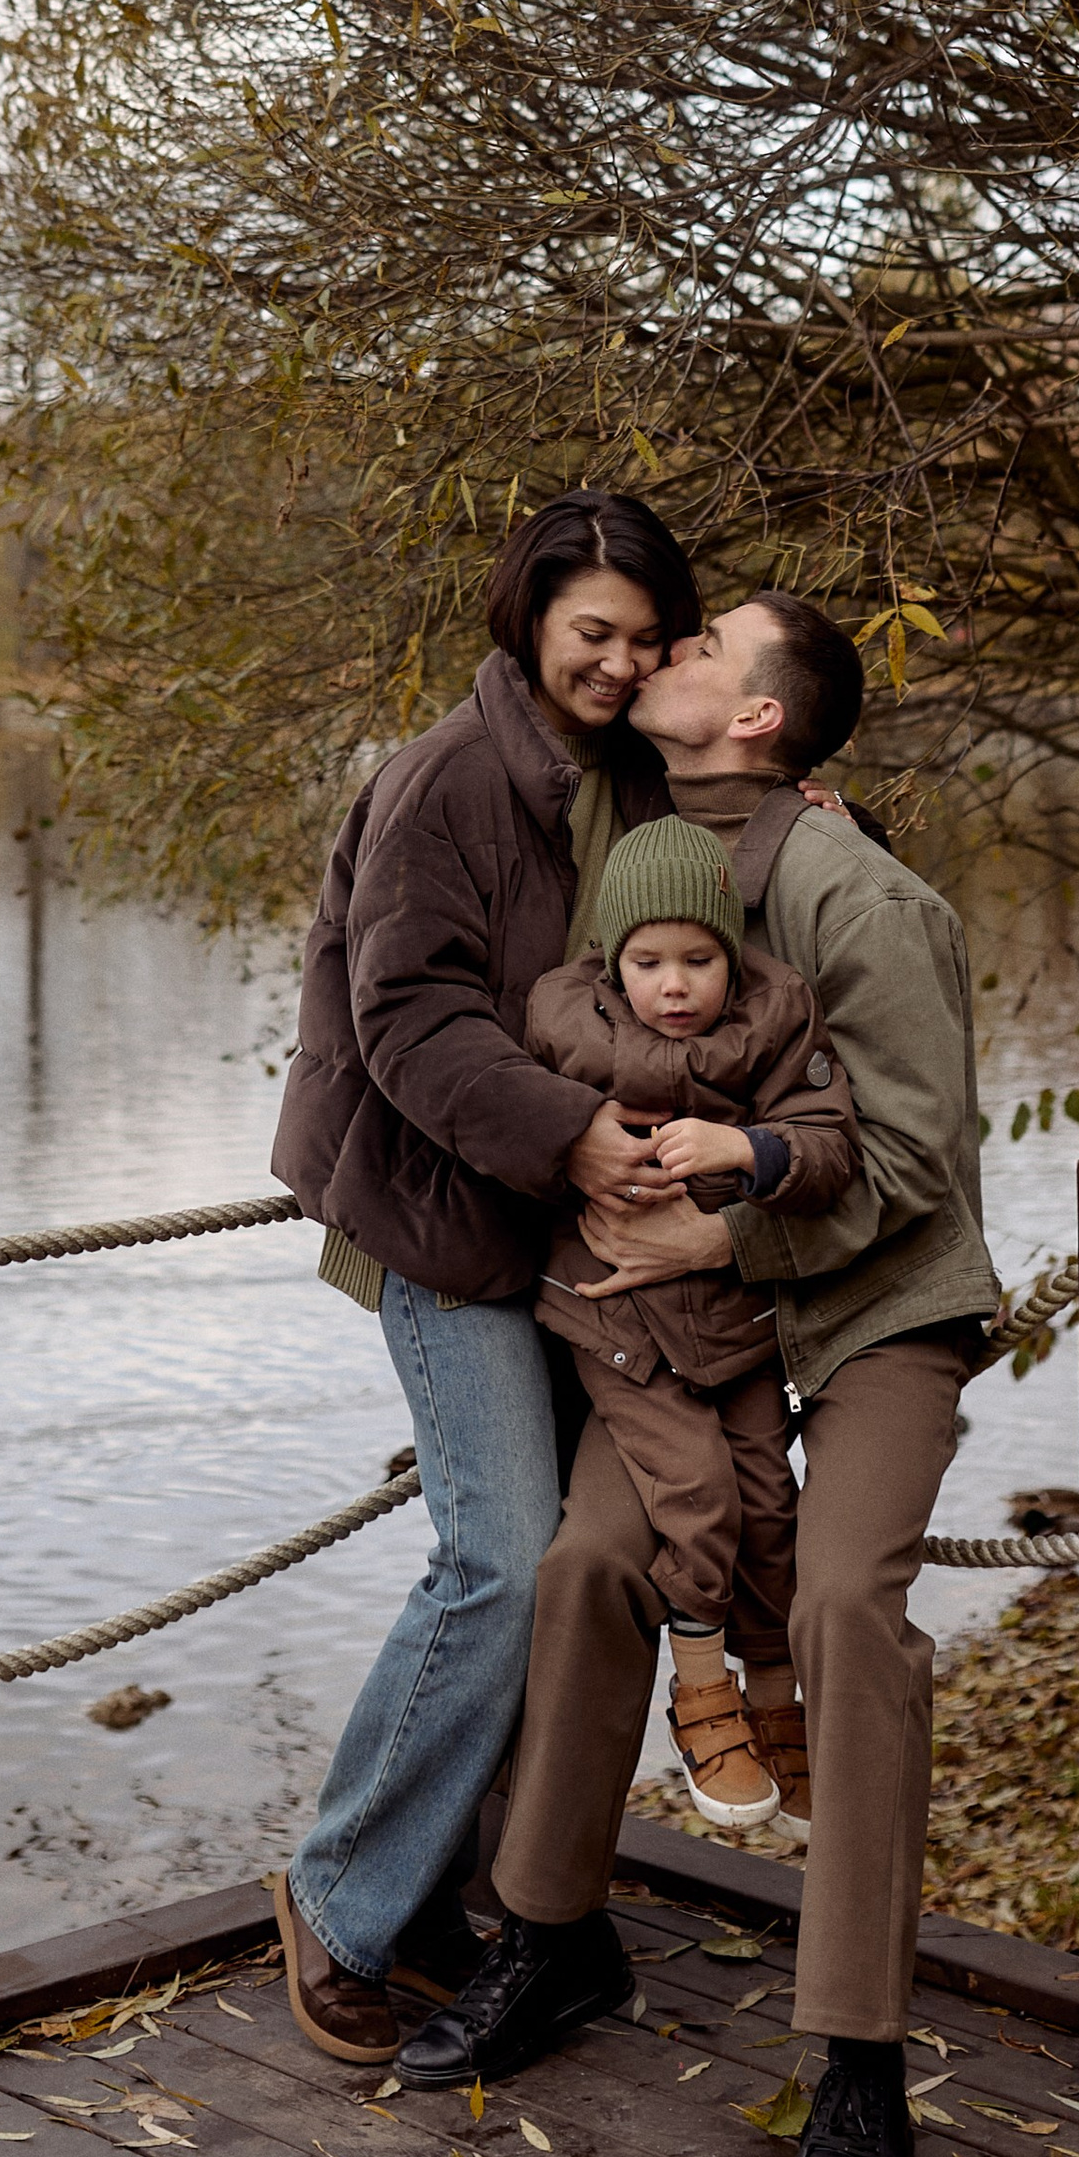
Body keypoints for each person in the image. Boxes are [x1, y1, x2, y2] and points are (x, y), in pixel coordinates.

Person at [396, 590, 1000, 2157]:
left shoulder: (860, 893)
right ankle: (552, 1931)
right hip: (685, 1319)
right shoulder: (641, 832)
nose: (659, 653)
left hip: (872, 1295)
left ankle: (859, 2053)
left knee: (844, 1600)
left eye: (698, 647)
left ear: (759, 718)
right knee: (586, 1558)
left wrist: (724, 1235)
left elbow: (917, 1161)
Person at [262, 487, 695, 2068]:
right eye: (594, 632)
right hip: (442, 1216)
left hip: (573, 1242)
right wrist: (572, 1135)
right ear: (531, 616)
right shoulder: (445, 777)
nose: (619, 662)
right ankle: (339, 1897)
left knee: (577, 1572)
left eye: (647, 639)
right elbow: (409, 1020)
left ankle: (449, 1889)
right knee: (500, 1558)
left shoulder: (636, 778)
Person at [520, 816, 860, 1830]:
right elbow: (512, 1135)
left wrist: (747, 1148)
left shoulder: (776, 1014)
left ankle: (775, 1697)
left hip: (734, 1313)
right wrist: (574, 1149)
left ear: (733, 953)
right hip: (618, 1319)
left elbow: (829, 1144)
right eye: (648, 962)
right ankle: (703, 1689)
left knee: (769, 1501)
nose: (674, 986)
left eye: (698, 961)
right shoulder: (564, 1022)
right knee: (699, 1495)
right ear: (611, 959)